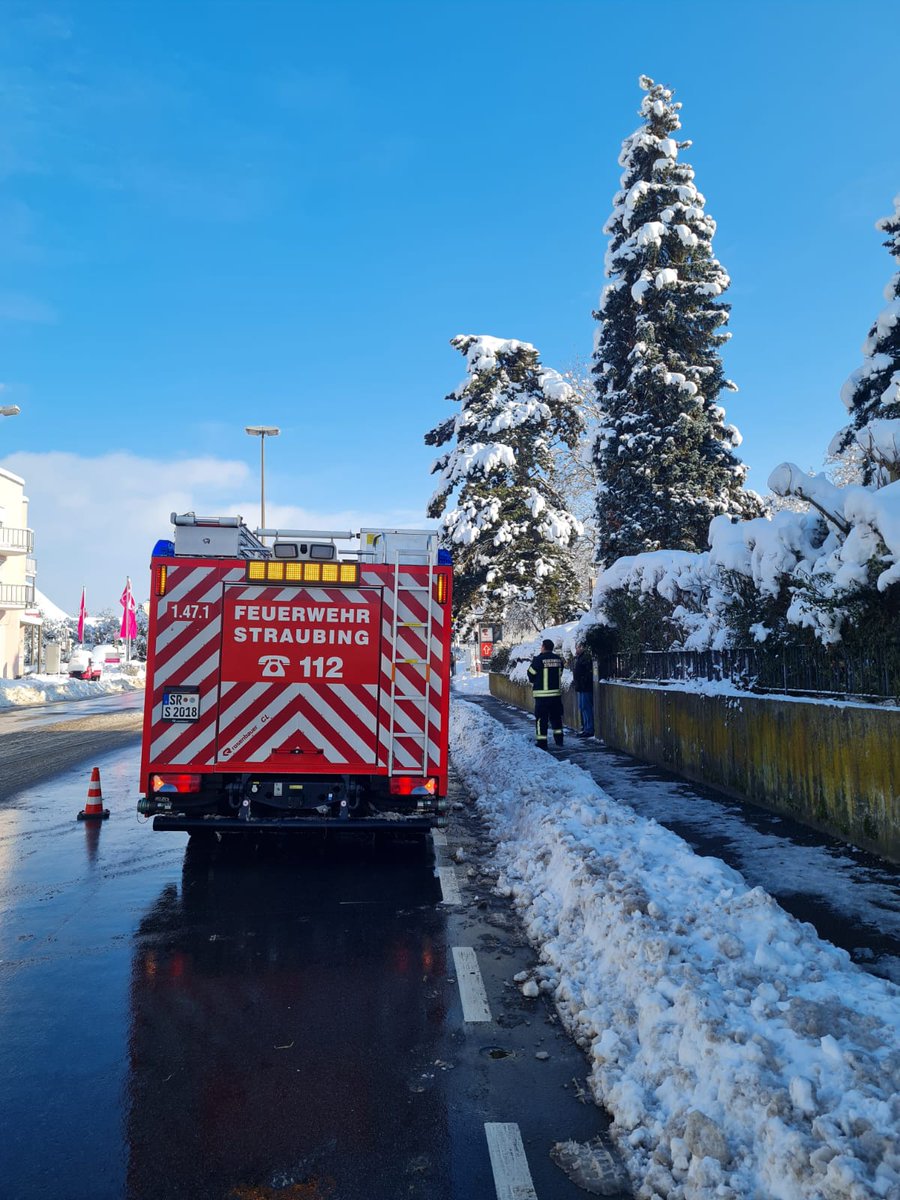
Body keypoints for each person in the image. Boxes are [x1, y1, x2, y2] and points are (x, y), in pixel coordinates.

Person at [527, 638, 564, 750]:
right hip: (556, 696)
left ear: (543, 647)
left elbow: (531, 674)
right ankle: (559, 740)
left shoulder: (538, 659)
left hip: (542, 697)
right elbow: (560, 673)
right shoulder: (558, 659)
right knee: (556, 718)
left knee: (541, 720)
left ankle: (542, 743)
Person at [573, 641, 594, 738]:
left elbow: (588, 673)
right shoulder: (580, 658)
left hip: (585, 687)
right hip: (581, 687)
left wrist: (583, 681)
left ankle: (589, 729)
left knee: (586, 708)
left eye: (578, 647)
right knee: (582, 707)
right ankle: (585, 728)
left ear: (582, 648)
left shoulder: (585, 658)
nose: (576, 649)